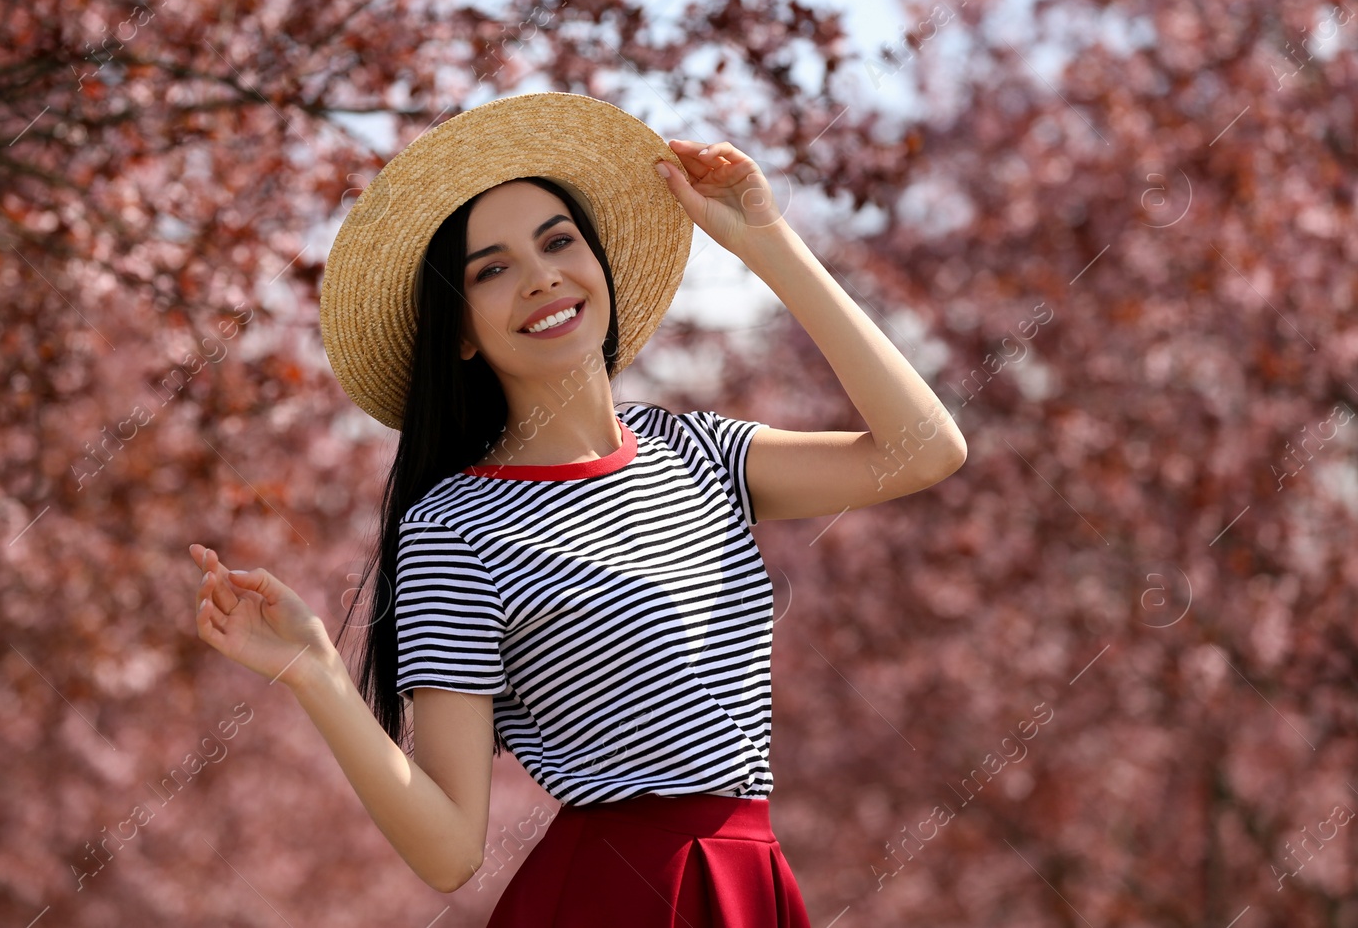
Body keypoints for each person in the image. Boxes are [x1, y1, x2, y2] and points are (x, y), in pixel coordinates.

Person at [189, 91, 967, 925]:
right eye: (493, 268)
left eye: (559, 241)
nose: (542, 276)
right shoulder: (453, 529)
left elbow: (924, 447)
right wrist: (316, 674)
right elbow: (452, 849)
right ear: (460, 330)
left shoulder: (700, 452)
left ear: (599, 266)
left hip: (749, 879)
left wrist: (766, 244)